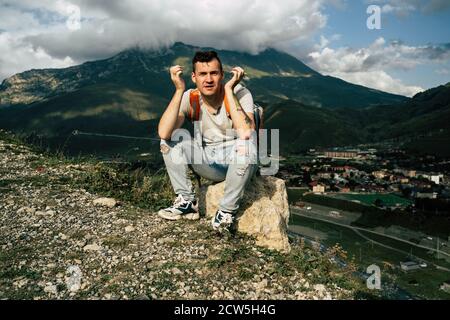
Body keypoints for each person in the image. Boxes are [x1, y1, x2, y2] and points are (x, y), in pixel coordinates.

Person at [157, 50, 258, 231]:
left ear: (222, 75)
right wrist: (179, 90)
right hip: (208, 162)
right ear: (194, 77)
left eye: (214, 73)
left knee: (246, 145)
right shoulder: (191, 97)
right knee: (168, 142)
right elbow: (164, 133)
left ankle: (226, 212)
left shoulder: (240, 92)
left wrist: (229, 90)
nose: (209, 79)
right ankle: (187, 202)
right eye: (203, 74)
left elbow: (246, 132)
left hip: (238, 161)